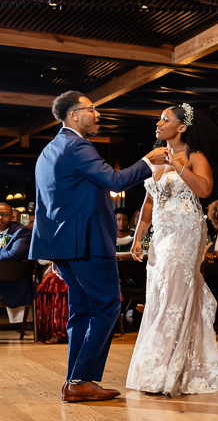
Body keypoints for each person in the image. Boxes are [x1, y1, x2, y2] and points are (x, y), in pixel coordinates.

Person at [30, 90, 167, 402]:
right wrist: (148, 160)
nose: (97, 114)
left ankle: (75, 381)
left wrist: (55, 253)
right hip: (88, 244)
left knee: (81, 311)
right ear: (74, 115)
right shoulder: (78, 146)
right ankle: (80, 380)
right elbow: (116, 181)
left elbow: (49, 204)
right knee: (107, 305)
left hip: (64, 246)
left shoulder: (50, 150)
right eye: (91, 109)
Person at [127, 103, 218, 396]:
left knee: (174, 291)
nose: (158, 123)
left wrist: (178, 165)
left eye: (165, 118)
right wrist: (139, 238)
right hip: (161, 234)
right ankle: (162, 363)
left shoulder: (195, 156)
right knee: (159, 293)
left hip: (185, 230)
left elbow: (205, 190)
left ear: (182, 127)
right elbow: (149, 202)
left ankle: (167, 368)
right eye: (158, 118)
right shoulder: (155, 156)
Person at [0, 201, 36, 325]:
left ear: (12, 216)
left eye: (4, 214)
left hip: (13, 280)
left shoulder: (22, 232)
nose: (0, 217)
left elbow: (14, 254)